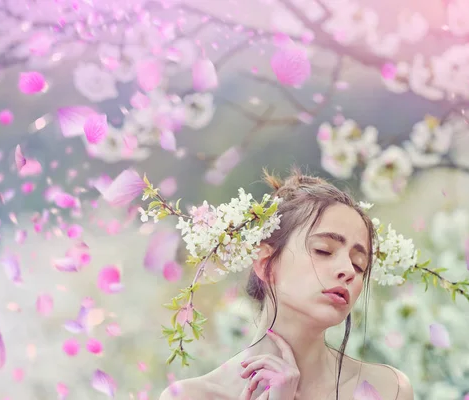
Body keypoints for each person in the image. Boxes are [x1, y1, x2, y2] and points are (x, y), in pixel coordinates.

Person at [160, 167, 414, 399]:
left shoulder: (389, 389)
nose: (348, 270)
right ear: (265, 263)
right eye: (324, 250)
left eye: (359, 264)